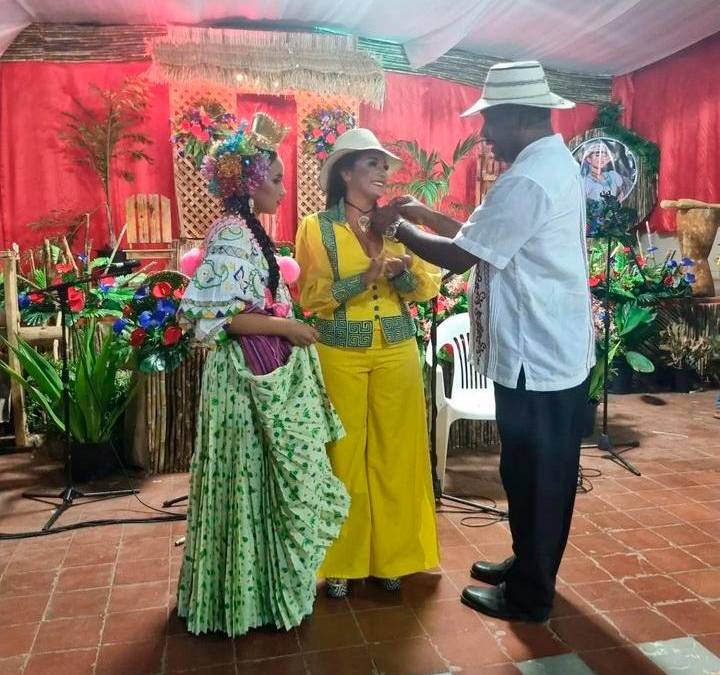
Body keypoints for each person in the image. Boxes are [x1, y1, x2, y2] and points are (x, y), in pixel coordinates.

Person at [370, 61, 595, 622]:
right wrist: (423, 214)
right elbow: (483, 233)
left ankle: (530, 596)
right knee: (524, 470)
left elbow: (461, 256)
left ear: (519, 117)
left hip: (538, 356)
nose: (485, 135)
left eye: (490, 122)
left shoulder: (528, 180)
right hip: (541, 351)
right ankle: (526, 562)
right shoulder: (547, 165)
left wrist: (398, 228)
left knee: (539, 478)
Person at [176, 112, 349, 636]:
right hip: (241, 379)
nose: (283, 189)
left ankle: (255, 596)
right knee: (249, 480)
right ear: (250, 184)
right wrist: (287, 327)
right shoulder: (232, 234)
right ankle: (246, 600)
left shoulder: (247, 233)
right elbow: (217, 318)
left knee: (260, 482)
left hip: (257, 372)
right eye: (276, 179)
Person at [295, 128, 441, 599]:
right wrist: (364, 278)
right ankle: (341, 562)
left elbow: (427, 285)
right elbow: (312, 298)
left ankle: (392, 558)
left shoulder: (397, 224)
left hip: (397, 348)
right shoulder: (316, 227)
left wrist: (402, 275)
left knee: (397, 454)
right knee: (343, 455)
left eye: (384, 164)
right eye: (372, 163)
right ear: (345, 172)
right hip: (339, 352)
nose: (382, 172)